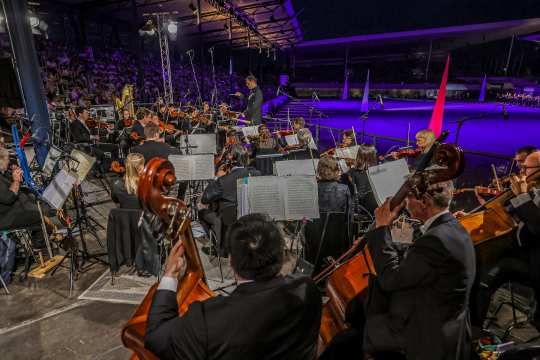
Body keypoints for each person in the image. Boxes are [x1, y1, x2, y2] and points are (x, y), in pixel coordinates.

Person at [323, 181, 476, 360]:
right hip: (441, 319)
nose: (404, 202)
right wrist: (388, 235)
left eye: (408, 197)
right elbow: (416, 253)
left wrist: (380, 230)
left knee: (345, 342)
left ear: (423, 202)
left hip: (425, 334)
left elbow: (390, 279)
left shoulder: (436, 240)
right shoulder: (450, 227)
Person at [144, 213, 322, 360]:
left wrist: (170, 275)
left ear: (231, 261)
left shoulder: (207, 321)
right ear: (281, 256)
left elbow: (156, 337)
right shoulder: (307, 291)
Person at [472, 151, 540, 329]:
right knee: (479, 265)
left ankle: (475, 329)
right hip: (521, 250)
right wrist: (473, 216)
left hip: (534, 259)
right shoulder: (534, 189)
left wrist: (522, 196)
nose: (521, 172)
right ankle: (471, 326)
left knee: (488, 275)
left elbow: (537, 227)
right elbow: (505, 211)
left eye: (526, 168)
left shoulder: (531, 192)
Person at [201, 145, 261, 255]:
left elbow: (205, 199)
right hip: (253, 218)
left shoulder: (223, 180)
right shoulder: (257, 174)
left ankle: (220, 246)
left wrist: (216, 178)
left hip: (230, 219)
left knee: (202, 213)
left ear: (231, 159)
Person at [343, 144, 378, 215]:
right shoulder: (378, 172)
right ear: (373, 157)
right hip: (376, 207)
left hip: (360, 208)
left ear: (358, 156)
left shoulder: (352, 172)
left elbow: (349, 192)